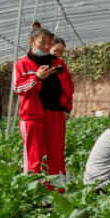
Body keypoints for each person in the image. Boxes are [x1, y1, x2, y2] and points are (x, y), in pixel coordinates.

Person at [13, 27, 69, 175]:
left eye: (49, 43)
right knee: (34, 157)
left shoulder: (58, 63)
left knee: (56, 155)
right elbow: (18, 88)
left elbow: (68, 86)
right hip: (32, 116)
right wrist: (36, 78)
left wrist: (66, 107)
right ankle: (34, 191)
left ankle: (56, 191)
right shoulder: (22, 64)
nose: (46, 46)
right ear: (31, 42)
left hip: (55, 113)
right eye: (42, 42)